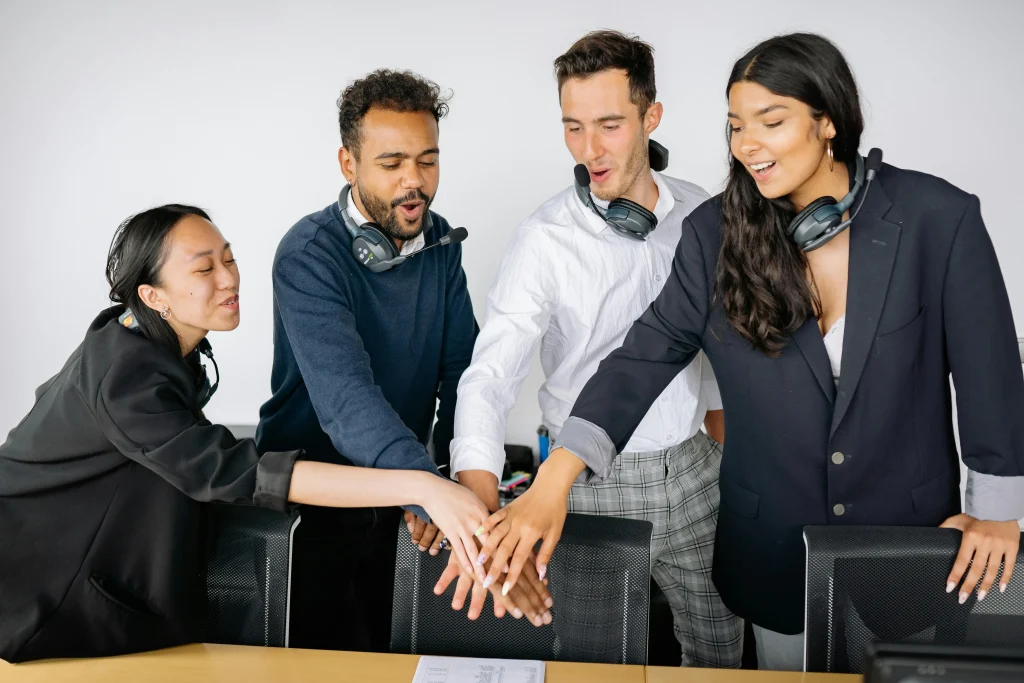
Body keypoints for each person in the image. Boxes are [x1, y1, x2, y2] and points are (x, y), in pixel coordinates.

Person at [475, 33, 1024, 671]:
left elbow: (992, 374)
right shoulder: (713, 236)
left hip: (914, 542)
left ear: (828, 122)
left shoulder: (939, 218)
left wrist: (997, 513)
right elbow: (640, 360)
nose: (747, 146)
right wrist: (554, 479)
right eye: (736, 126)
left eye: (771, 121)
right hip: (775, 551)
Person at [0, 205, 512, 664]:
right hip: (43, 594)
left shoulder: (142, 341)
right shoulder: (127, 376)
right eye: (204, 269)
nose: (229, 279)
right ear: (152, 295)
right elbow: (240, 471)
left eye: (229, 258)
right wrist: (421, 485)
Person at [444, 30, 741, 666]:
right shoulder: (543, 240)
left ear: (650, 117)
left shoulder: (704, 214)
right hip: (585, 485)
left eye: (608, 125)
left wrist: (723, 432)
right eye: (573, 127)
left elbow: (721, 339)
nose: (589, 150)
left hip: (696, 473)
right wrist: (478, 495)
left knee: (720, 656)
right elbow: (489, 375)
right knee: (593, 665)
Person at [254, 69, 547, 651]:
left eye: (427, 160)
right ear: (348, 164)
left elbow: (464, 379)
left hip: (405, 502)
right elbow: (345, 402)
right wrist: (429, 493)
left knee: (394, 655)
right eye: (391, 164)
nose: (414, 182)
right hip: (313, 507)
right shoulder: (308, 254)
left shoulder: (439, 244)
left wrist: (453, 486)